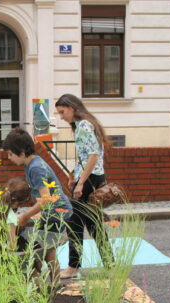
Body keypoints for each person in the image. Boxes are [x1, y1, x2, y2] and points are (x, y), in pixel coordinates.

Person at [55, 93, 115, 279]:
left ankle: (73, 266)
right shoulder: (88, 124)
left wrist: (80, 183)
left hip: (88, 182)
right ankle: (110, 263)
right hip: (95, 178)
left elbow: (93, 155)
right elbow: (89, 156)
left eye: (62, 112)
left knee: (74, 223)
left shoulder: (82, 126)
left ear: (72, 108)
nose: (61, 117)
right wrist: (75, 174)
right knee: (93, 223)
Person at [2, 127, 73, 282]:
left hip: (57, 213)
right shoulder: (32, 164)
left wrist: (26, 216)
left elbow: (46, 199)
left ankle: (51, 283)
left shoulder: (35, 168)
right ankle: (46, 281)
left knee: (46, 251)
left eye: (10, 154)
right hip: (52, 212)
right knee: (44, 248)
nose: (9, 158)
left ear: (21, 151)